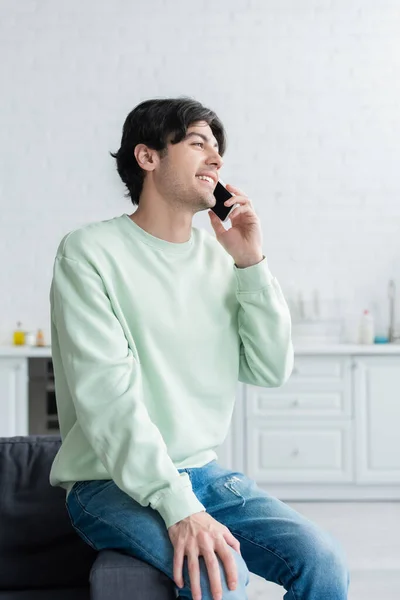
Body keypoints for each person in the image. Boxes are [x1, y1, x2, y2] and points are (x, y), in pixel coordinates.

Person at [49, 97, 350, 600]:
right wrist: (180, 508)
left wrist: (251, 263)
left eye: (218, 149)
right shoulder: (89, 253)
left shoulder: (222, 260)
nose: (216, 159)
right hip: (109, 481)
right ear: (148, 157)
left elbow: (270, 368)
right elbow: (108, 402)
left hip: (202, 470)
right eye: (197, 143)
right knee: (222, 576)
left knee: (323, 562)